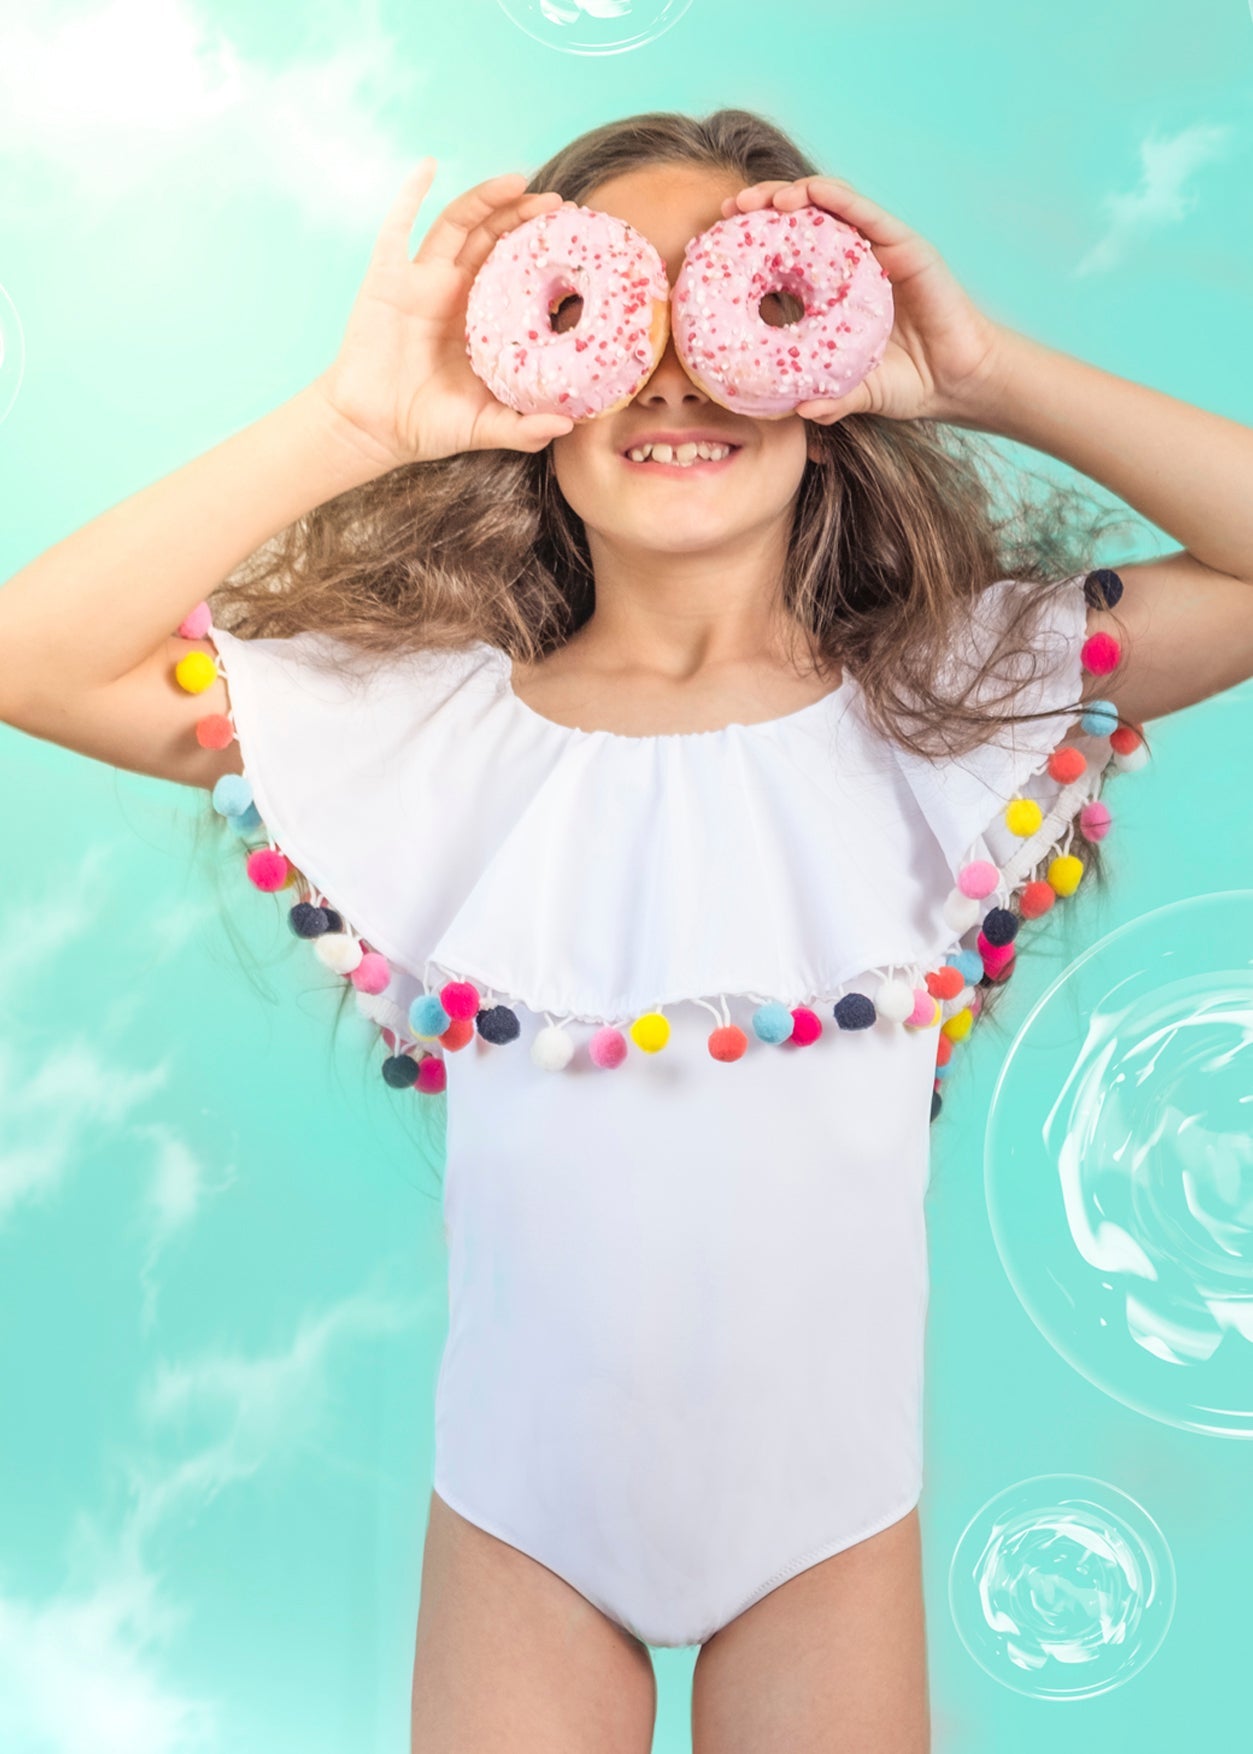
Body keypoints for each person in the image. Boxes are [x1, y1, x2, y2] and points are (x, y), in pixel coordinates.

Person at [2, 107, 1250, 1754]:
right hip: (526, 1523)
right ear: (528, 379)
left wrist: (977, 372)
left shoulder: (953, 694)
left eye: (738, 304)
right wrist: (348, 416)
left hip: (828, 1521)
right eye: (606, 314)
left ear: (833, 354)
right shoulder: (429, 734)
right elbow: (38, 656)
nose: (671, 369)